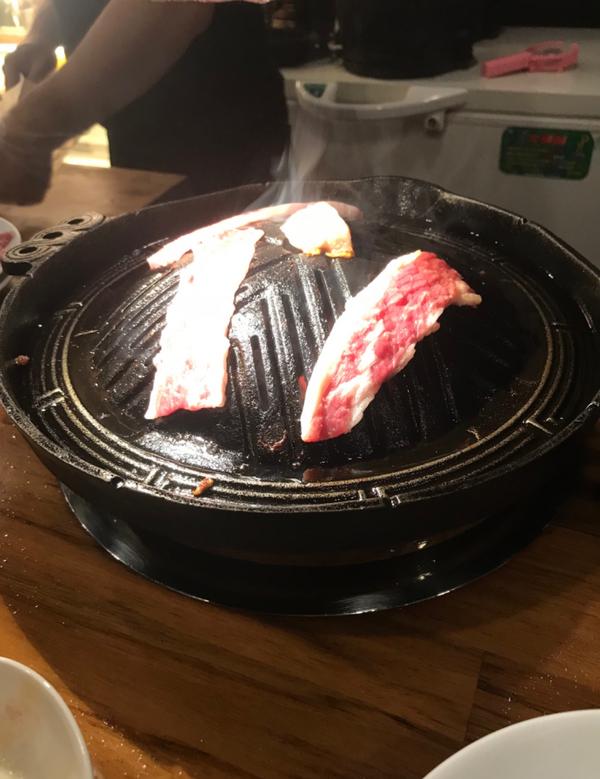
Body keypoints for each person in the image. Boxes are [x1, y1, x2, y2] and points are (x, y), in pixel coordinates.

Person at [0, 0, 289, 205]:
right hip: (131, 127)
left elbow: (178, 6)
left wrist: (27, 130)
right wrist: (40, 37)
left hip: (217, 130)